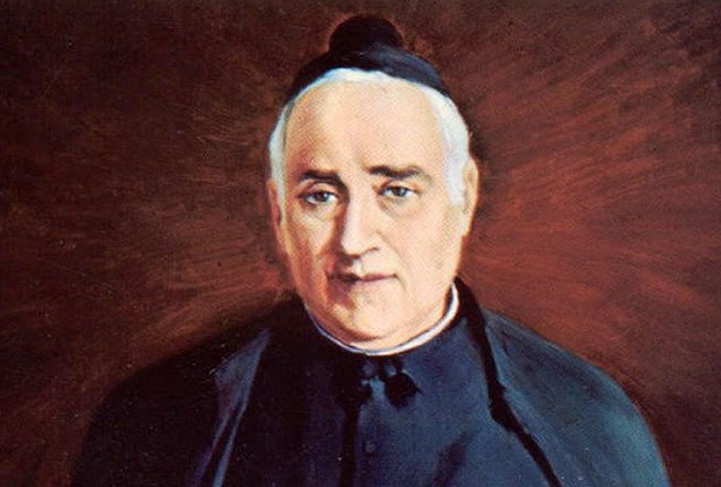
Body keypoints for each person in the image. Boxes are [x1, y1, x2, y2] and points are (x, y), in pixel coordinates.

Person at [72, 15, 670, 487]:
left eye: (397, 191)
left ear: (463, 198)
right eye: (321, 196)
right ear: (279, 212)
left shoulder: (590, 420)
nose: (354, 240)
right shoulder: (158, 417)